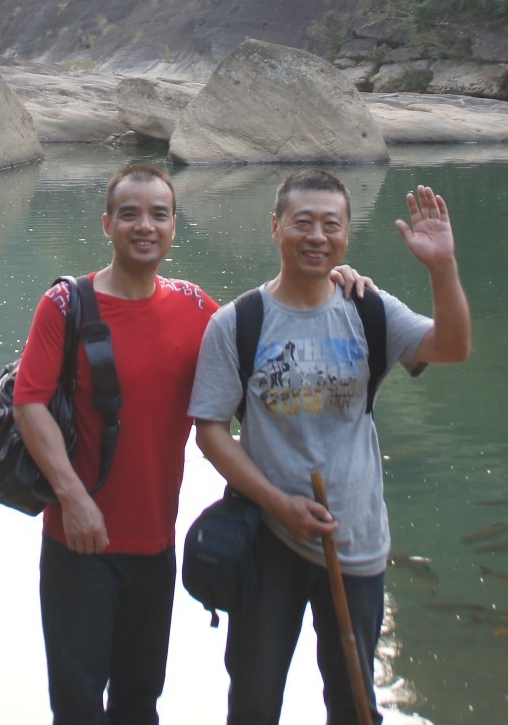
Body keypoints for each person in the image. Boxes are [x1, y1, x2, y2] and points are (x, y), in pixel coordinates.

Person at [189, 171, 473, 725]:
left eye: (331, 224)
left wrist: (441, 266)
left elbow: (453, 347)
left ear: (347, 234)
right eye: (303, 222)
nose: (317, 236)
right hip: (268, 541)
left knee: (353, 703)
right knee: (253, 701)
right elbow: (211, 430)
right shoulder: (239, 323)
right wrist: (279, 504)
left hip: (356, 538)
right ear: (276, 228)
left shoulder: (368, 309)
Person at [14, 163, 217, 725]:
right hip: (79, 543)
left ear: (175, 225)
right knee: (78, 708)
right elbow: (29, 403)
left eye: (159, 214)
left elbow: (262, 336)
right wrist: (73, 498)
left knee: (139, 703)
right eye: (129, 214)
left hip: (156, 545)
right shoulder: (65, 306)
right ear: (107, 224)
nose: (144, 225)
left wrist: (335, 280)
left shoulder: (197, 307)